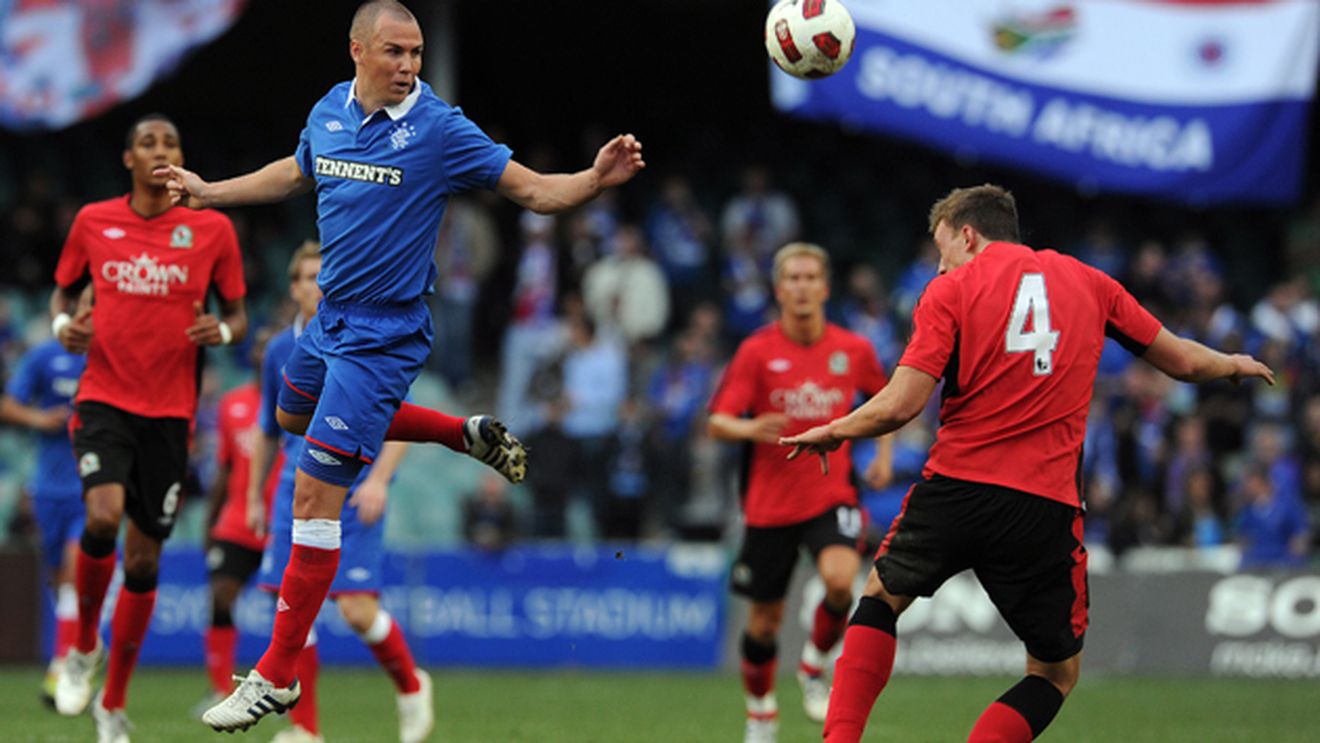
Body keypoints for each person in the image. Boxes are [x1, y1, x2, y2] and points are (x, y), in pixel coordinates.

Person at [158, 0, 644, 731]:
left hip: (383, 338)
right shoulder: (329, 110)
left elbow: (535, 191)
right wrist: (209, 190)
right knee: (289, 415)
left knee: (312, 503)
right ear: (356, 50)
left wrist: (593, 179)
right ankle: (459, 432)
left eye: (415, 52)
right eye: (394, 51)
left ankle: (276, 676)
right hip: (327, 322)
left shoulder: (440, 129)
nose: (407, 65)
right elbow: (294, 174)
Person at [780, 184, 1275, 743]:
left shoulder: (949, 291)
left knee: (878, 601)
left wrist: (835, 430)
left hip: (957, 488)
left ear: (968, 235)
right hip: (1045, 506)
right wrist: (1232, 363)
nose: (940, 266)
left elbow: (902, 403)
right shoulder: (1091, 282)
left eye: (943, 251)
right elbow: (1183, 361)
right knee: (1055, 673)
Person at [49, 113, 249, 743]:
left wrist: (220, 331)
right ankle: (82, 647)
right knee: (103, 517)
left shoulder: (212, 229)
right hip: (105, 398)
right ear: (128, 159)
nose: (161, 150)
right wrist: (65, 330)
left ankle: (112, 703)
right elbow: (62, 299)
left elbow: (238, 316)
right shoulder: (92, 222)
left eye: (171, 142)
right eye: (148, 143)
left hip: (170, 413)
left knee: (143, 557)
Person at [707, 243, 892, 743]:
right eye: (793, 278)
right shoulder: (757, 351)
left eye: (812, 277)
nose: (803, 286)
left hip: (831, 494)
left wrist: (883, 454)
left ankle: (813, 664)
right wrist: (749, 430)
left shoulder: (853, 350)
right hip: (769, 506)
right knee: (764, 623)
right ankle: (761, 713)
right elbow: (717, 421)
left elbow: (887, 400)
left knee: (839, 583)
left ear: (826, 288)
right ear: (778, 288)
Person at [251, 243, 429, 743]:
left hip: (352, 492)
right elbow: (269, 430)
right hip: (294, 491)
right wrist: (249, 499)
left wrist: (377, 481)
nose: (316, 286)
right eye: (307, 277)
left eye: (323, 277)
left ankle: (411, 686)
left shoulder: (363, 343)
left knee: (356, 611)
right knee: (294, 609)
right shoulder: (279, 352)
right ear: (294, 287)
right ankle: (306, 732)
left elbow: (401, 419)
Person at [0, 318, 87, 706]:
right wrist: (41, 419)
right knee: (57, 577)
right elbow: (7, 404)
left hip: (91, 486)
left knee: (73, 570)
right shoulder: (43, 356)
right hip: (48, 487)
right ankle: (76, 647)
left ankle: (62, 665)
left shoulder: (107, 358)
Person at [196, 333, 275, 716]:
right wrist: (210, 521)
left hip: (282, 525)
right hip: (237, 522)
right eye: (259, 346)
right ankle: (221, 689)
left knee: (290, 610)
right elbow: (225, 467)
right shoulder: (233, 404)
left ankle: (285, 689)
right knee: (221, 595)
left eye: (270, 346)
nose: (263, 352)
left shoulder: (300, 403)